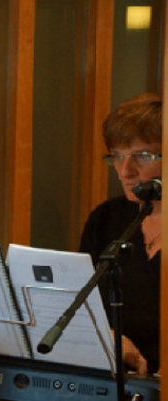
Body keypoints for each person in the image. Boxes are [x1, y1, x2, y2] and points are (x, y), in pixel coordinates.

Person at [79, 93, 162, 375]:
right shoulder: (106, 219)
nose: (126, 171)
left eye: (143, 156)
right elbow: (81, 304)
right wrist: (108, 337)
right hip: (115, 376)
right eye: (117, 157)